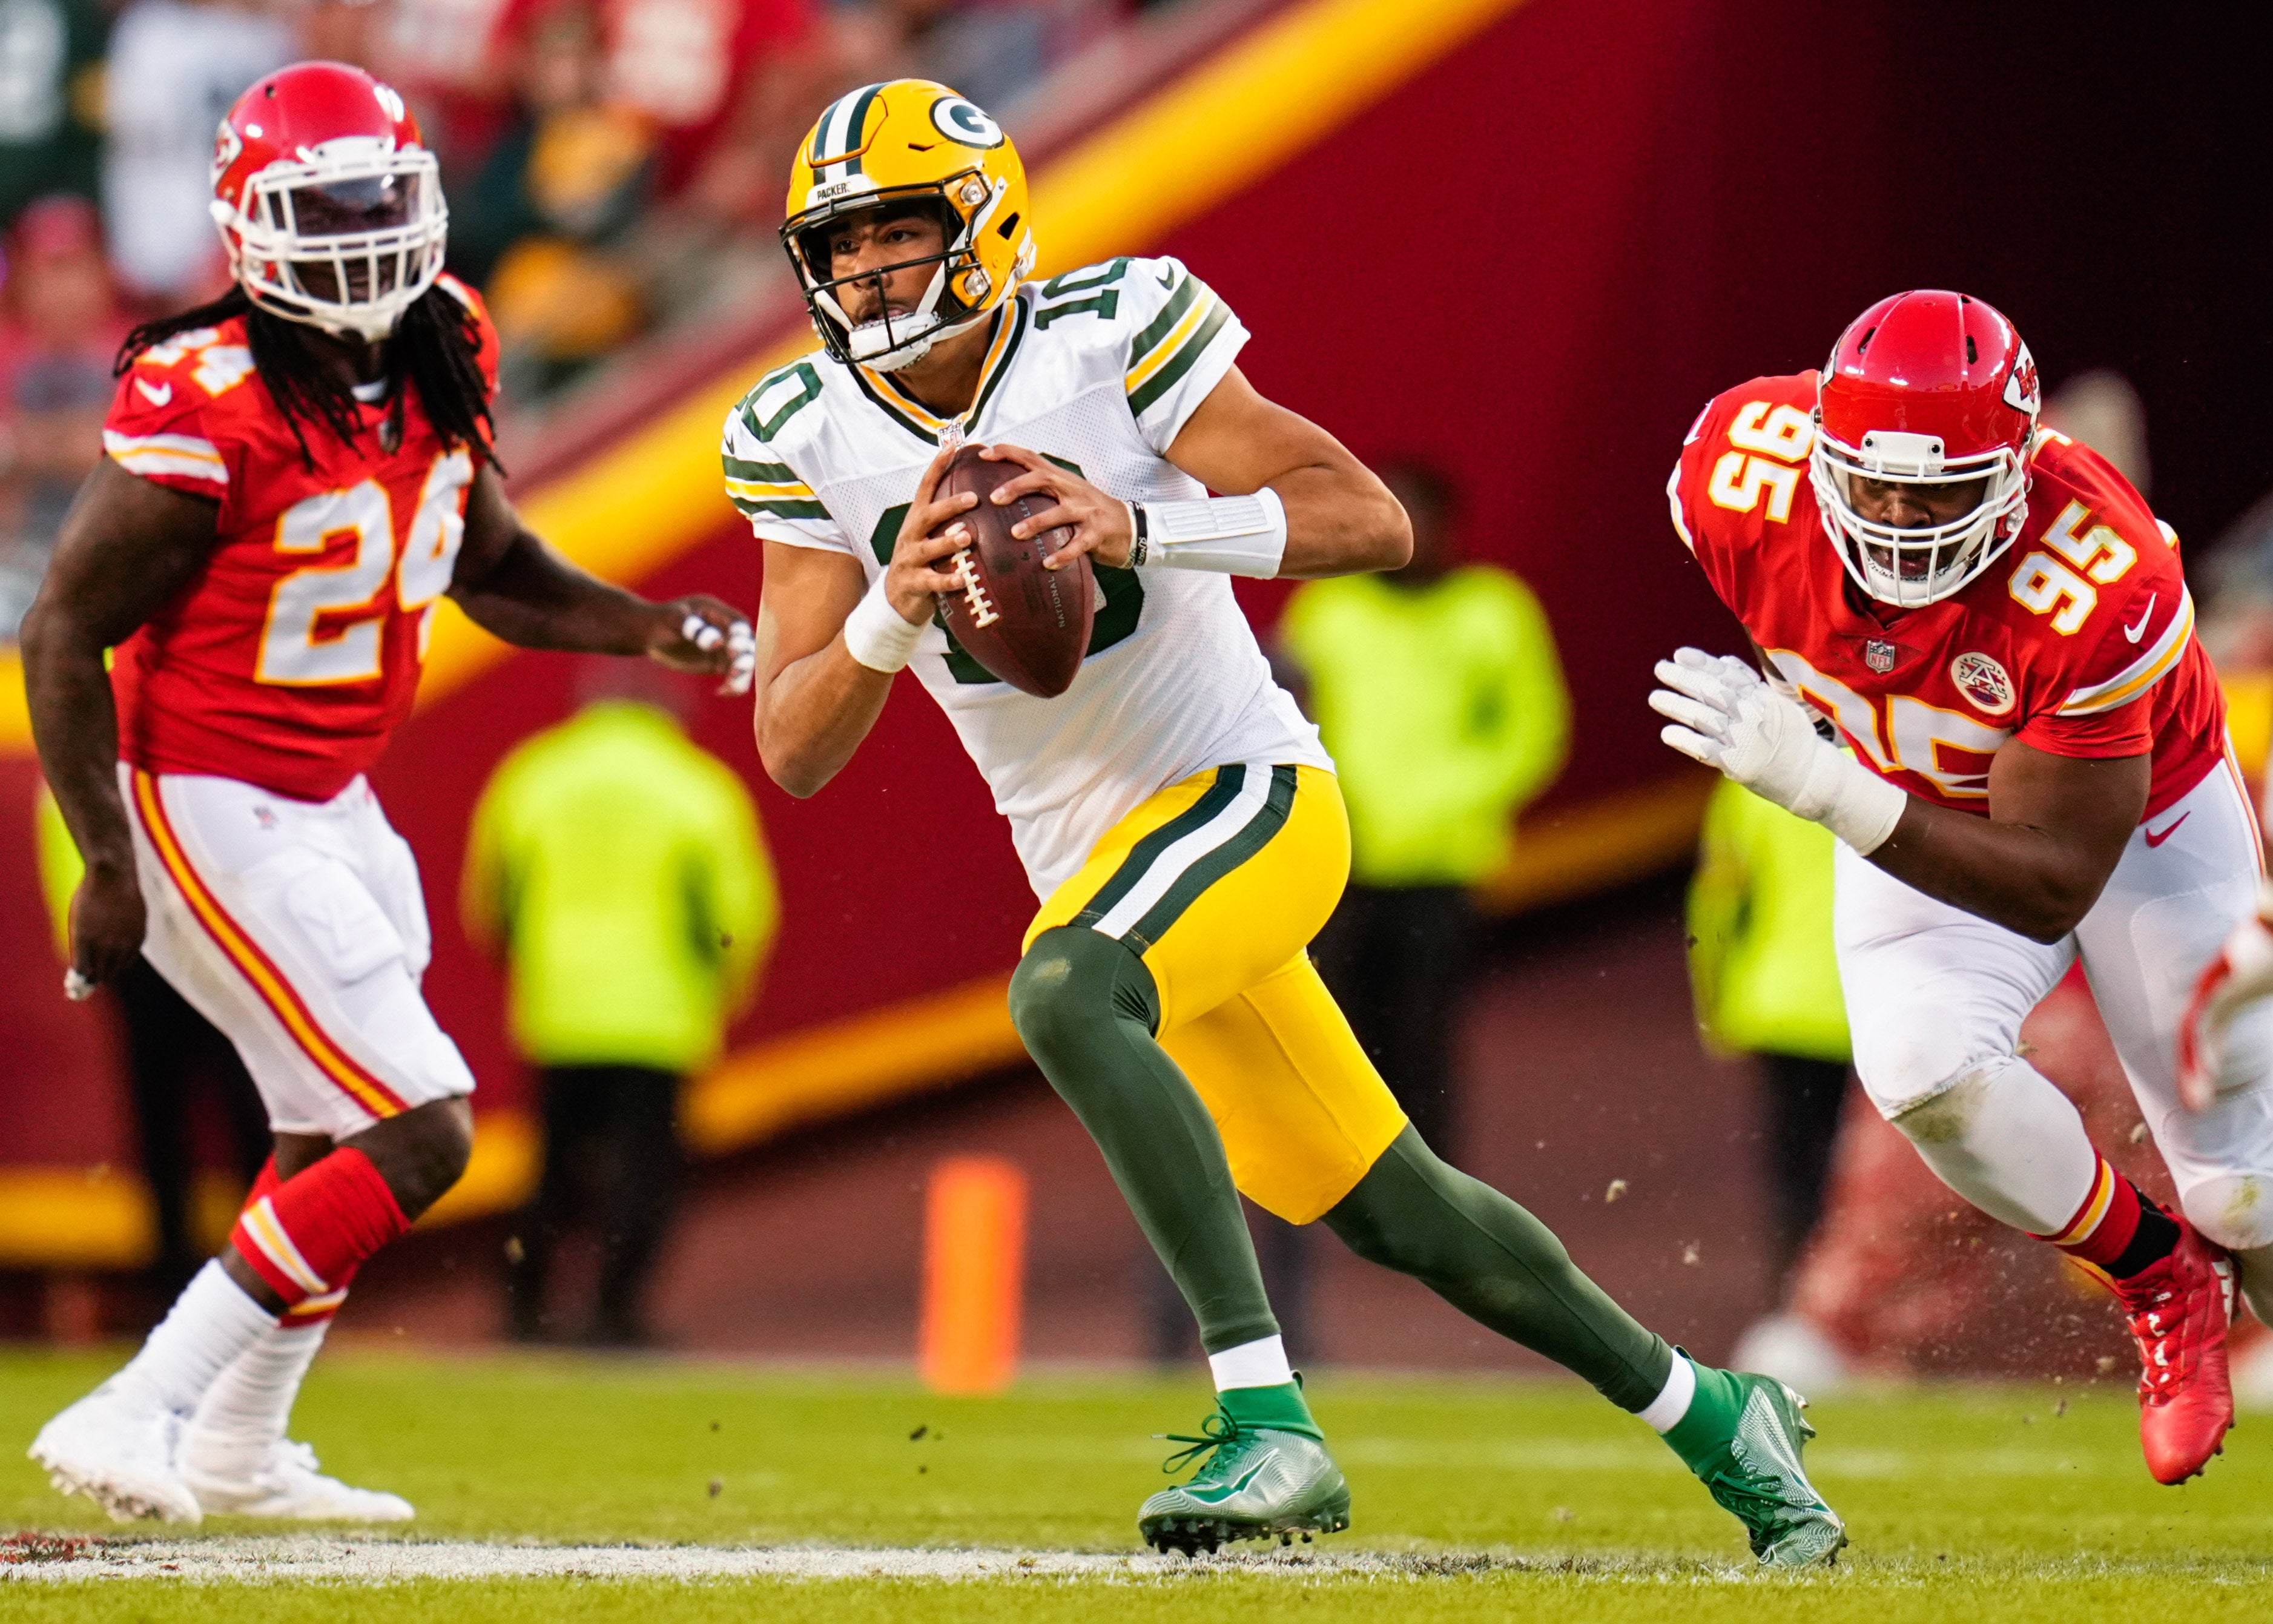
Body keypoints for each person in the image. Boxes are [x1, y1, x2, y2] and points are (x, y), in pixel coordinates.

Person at [729, 79, 1842, 1565]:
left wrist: (1145, 521)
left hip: (1248, 797)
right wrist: (889, 606)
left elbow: (1366, 518)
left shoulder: (1113, 330)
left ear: (984, 224)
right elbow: (793, 745)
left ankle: (1267, 1422)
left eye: (895, 237)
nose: (864, 275)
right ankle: (1723, 1422)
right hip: (1103, 862)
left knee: (1065, 988)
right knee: (1400, 1210)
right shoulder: (799, 429)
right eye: (841, 250)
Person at [22, 61, 753, 1525]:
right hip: (207, 791)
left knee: (319, 1137)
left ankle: (237, 1449)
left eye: (379, 196)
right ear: (251, 227)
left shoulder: (447, 340)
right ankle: (141, 1402)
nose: (360, 229)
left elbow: (488, 566)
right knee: (419, 1123)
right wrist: (106, 860)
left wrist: (643, 624)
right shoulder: (208, 394)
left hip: (333, 793)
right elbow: (60, 631)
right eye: (324, 204)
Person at [1655, 289, 2263, 1487]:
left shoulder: (2098, 576)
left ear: (2017, 468)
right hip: (1910, 798)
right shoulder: (1727, 478)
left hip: (2134, 822)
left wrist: (1829, 791)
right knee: (1922, 1076)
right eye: (1870, 487)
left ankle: (2216, 1252)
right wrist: (1853, 782)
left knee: (2242, 1191)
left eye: (1936, 496)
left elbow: (2050, 885)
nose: (1896, 521)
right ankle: (2160, 1284)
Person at [464, 667, 776, 1346]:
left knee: (553, 1167)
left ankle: (527, 1305)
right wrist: (728, 986)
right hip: (660, 1014)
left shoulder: (535, 774)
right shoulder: (696, 787)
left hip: (558, 1005)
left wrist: (523, 964)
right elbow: (737, 911)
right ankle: (614, 1310)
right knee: (646, 1174)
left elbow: (490, 895)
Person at [1283, 458, 1569, 1154]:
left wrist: (1450, 801)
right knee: (1336, 1029)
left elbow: (1535, 733)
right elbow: (1285, 719)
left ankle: (1434, 1175)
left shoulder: (1494, 610)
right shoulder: (1328, 611)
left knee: (1425, 1031)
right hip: (1341, 865)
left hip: (1441, 867)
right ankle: (1347, 1166)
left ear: (1448, 529)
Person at [37, 782, 272, 1311]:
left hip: (195, 950)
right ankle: (188, 1284)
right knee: (174, 1127)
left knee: (237, 1115)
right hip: (148, 957)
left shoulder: (79, 769)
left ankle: (266, 1267)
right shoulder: (79, 771)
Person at [1685, 779, 1855, 1387]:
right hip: (1872, 1005)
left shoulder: (1751, 783)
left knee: (1795, 1167)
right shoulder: (1896, 771)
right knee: (1865, 1171)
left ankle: (1797, 1305)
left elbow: (1717, 899)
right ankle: (1854, 1312)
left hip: (1780, 1001)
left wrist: (1712, 1000)